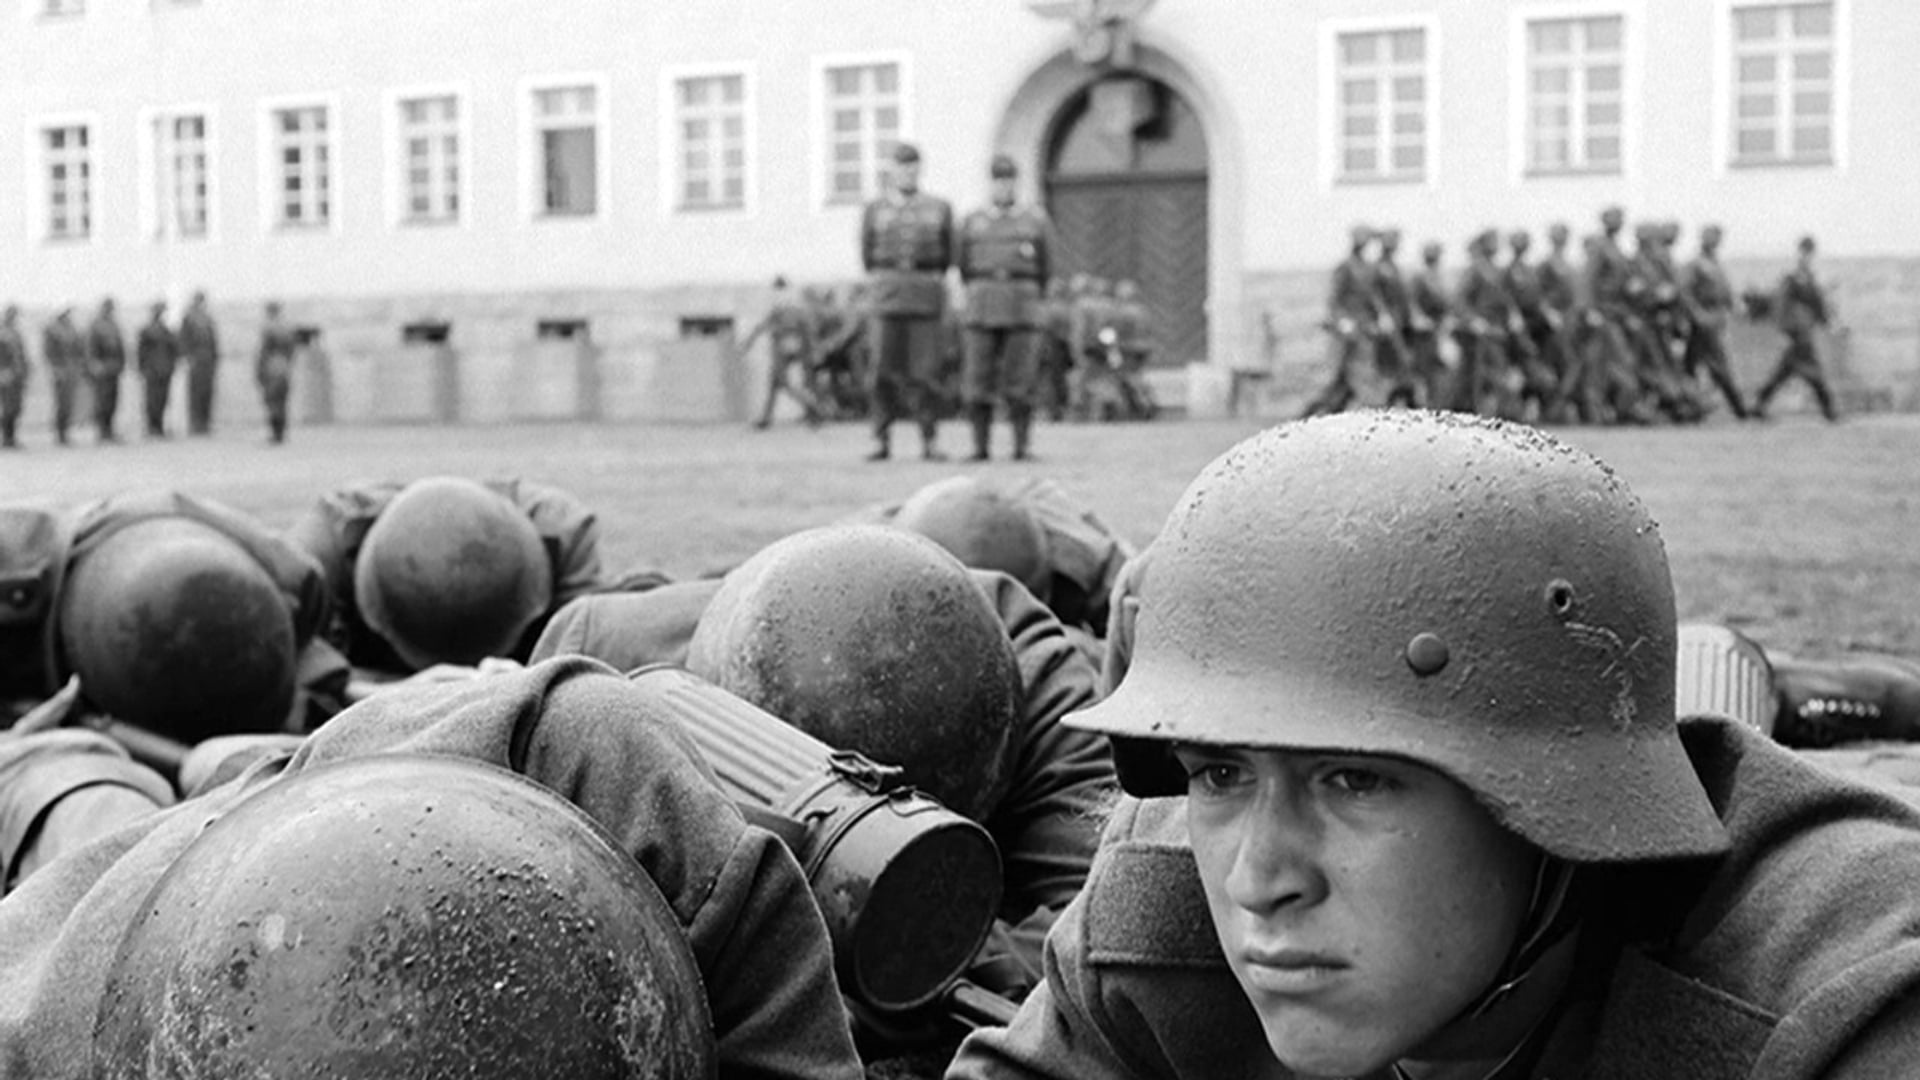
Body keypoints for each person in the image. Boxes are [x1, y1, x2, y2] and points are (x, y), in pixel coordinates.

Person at [950, 410, 1920, 1080]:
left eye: (1353, 779)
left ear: (1558, 807)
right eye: (1220, 773)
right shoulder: (1161, 924)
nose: (1259, 876)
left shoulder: (1822, 998)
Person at [0, 658, 867, 1079]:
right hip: (184, 894)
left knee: (125, 788)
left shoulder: (607, 774)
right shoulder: (56, 1027)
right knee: (89, 796)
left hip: (398, 801)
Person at [285, 475, 606, 678]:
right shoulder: (323, 547)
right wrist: (390, 693)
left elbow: (597, 673)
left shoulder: (562, 534)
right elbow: (280, 675)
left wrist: (531, 682)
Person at [861, 142, 956, 461]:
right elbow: (867, 255)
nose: (907, 174)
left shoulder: (938, 208)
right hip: (887, 296)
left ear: (919, 171)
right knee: (881, 370)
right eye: (901, 168)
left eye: (913, 168)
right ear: (892, 171)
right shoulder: (875, 210)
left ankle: (929, 439)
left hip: (924, 297)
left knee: (926, 373)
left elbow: (947, 255)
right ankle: (880, 439)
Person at [957, 154, 1051, 461]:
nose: (1004, 187)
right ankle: (980, 447)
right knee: (977, 380)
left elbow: (1046, 269)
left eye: (1009, 181)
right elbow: (963, 267)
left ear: (1016, 184)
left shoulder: (1034, 221)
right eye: (998, 181)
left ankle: (1021, 446)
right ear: (991, 184)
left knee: (1020, 380)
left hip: (1021, 307)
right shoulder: (973, 222)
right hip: (982, 306)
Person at [1753, 235, 1839, 422]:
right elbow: (1782, 304)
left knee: (1782, 373)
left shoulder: (1808, 277)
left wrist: (1826, 319)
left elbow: (1817, 304)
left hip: (1802, 331)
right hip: (1798, 332)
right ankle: (1829, 411)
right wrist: (1784, 328)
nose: (1807, 256)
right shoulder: (1795, 278)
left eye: (1809, 252)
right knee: (1814, 374)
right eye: (1805, 251)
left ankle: (1759, 405)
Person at [1298, 225, 1375, 419]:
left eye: (1366, 240)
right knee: (1331, 377)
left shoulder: (1367, 267)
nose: (1363, 244)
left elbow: (1371, 300)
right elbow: (1334, 300)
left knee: (1359, 375)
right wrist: (1341, 321)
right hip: (1344, 329)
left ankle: (1343, 414)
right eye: (1360, 240)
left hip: (1361, 327)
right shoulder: (1345, 267)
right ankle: (1306, 415)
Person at [1681, 224, 1751, 419]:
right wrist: (1697, 314)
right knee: (1718, 365)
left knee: (1691, 366)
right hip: (1704, 321)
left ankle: (1690, 406)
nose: (1714, 241)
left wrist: (1735, 306)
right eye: (1711, 237)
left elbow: (1724, 291)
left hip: (1715, 319)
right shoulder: (1696, 264)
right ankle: (1739, 409)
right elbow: (1685, 292)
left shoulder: (1715, 264)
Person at [741, 275, 824, 430]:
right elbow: (807, 327)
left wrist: (748, 342)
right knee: (774, 382)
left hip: (783, 345)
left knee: (784, 383)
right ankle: (766, 418)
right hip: (797, 344)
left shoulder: (779, 302)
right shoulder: (794, 302)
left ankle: (813, 406)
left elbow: (763, 325)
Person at [178, 289, 220, 435]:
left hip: (208, 360)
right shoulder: (189, 318)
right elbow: (183, 339)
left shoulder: (207, 318)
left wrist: (215, 359)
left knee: (207, 393)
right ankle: (195, 424)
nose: (201, 303)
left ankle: (205, 423)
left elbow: (213, 341)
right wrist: (188, 357)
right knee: (195, 393)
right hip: (196, 360)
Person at [135, 299, 179, 438]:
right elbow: (141, 352)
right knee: (152, 400)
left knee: (163, 399)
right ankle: (151, 427)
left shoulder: (166, 331)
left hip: (165, 370)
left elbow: (174, 349)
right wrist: (142, 369)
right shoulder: (147, 331)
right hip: (152, 371)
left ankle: (159, 426)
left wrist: (172, 366)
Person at [40, 308, 84, 446]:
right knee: (61, 403)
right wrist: (56, 369)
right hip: (60, 372)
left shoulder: (71, 329)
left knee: (69, 403)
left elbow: (78, 350)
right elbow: (48, 352)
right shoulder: (52, 331)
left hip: (71, 371)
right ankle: (60, 433)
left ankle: (65, 431)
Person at [256, 300, 298, 443]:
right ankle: (280, 433)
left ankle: (276, 433)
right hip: (283, 368)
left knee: (272, 401)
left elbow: (264, 352)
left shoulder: (269, 328)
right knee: (282, 401)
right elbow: (292, 351)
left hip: (271, 368)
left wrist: (259, 371)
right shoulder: (286, 328)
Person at [85, 296, 126, 444]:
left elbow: (120, 348)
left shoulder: (113, 325)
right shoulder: (95, 326)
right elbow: (90, 348)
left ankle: (109, 430)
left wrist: (121, 364)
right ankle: (102, 431)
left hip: (113, 368)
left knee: (112, 401)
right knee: (102, 401)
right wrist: (94, 364)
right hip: (102, 369)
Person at [0, 305, 25, 449]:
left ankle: (11, 437)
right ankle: (7, 438)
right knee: (8, 407)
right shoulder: (2, 333)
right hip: (6, 375)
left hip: (16, 375)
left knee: (15, 407)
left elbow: (20, 355)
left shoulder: (15, 333)